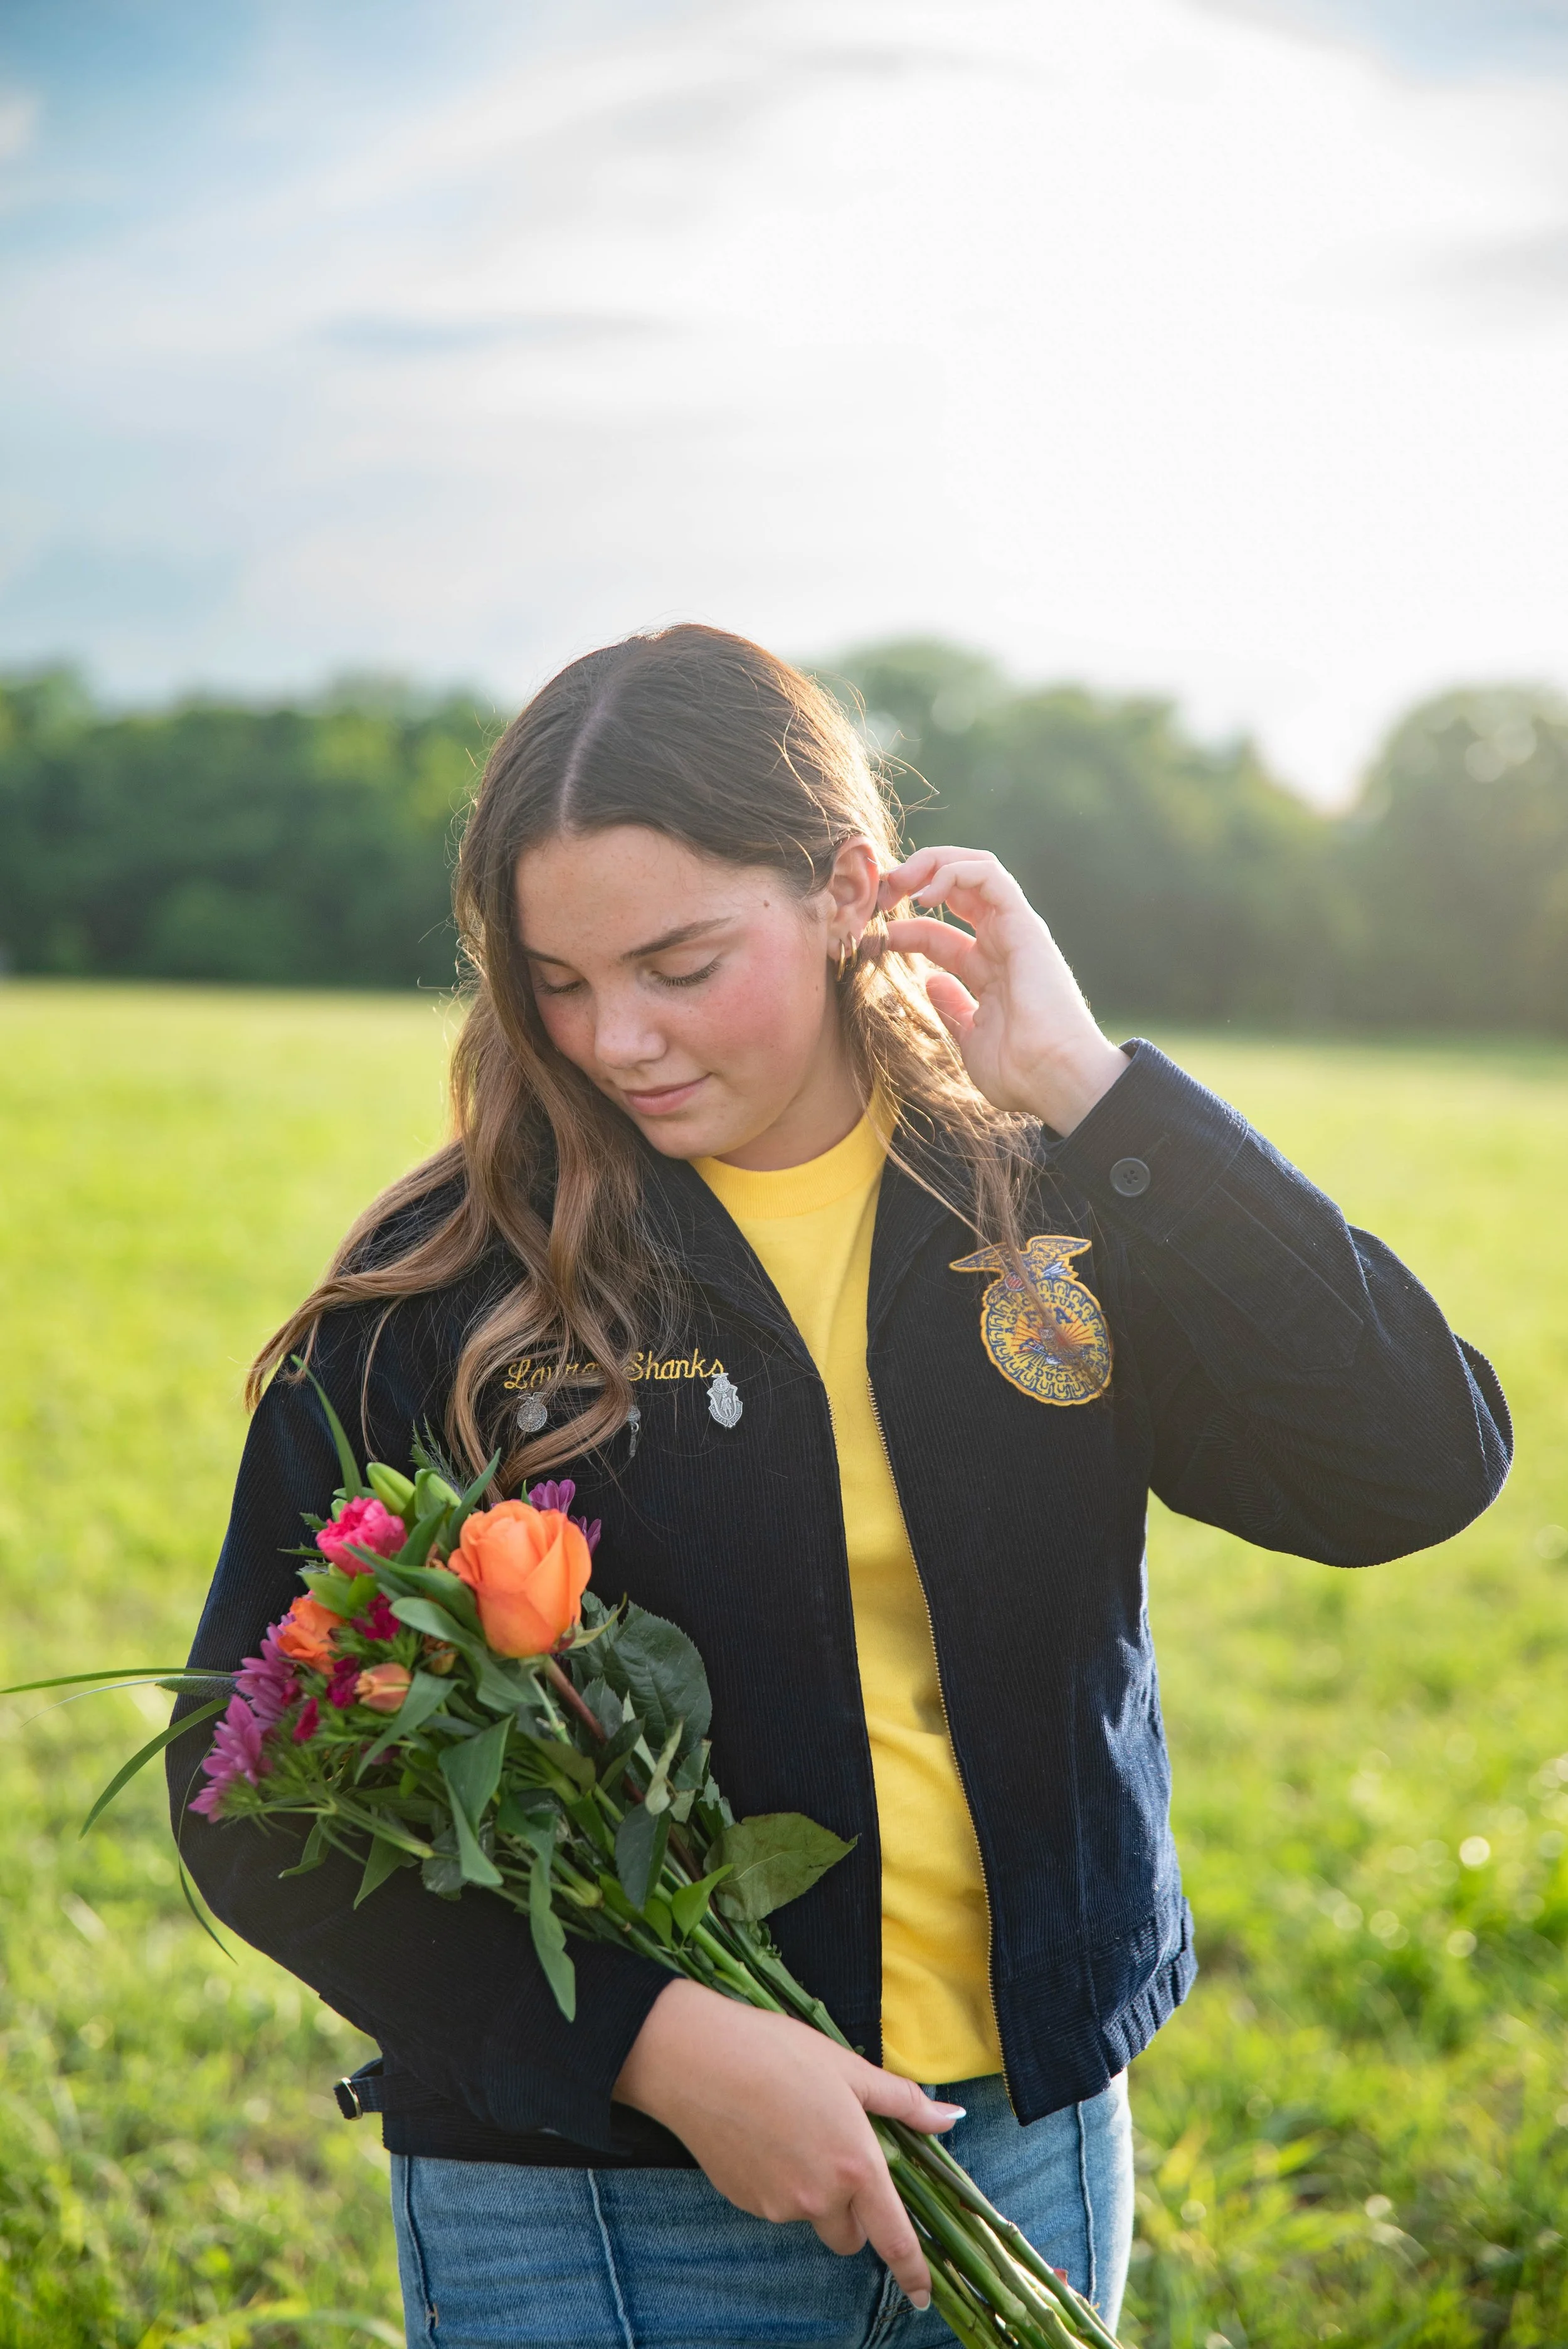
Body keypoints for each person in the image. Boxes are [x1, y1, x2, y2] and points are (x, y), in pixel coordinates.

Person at [175, 624, 1511, 2349]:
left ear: (843, 890)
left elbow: (1407, 1469)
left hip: (1019, 2149)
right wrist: (656, 2046)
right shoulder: (443, 1301)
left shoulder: (1045, 1199)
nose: (616, 1039)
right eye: (559, 982)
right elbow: (252, 1797)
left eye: (676, 961)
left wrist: (1102, 1094)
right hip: (596, 2188)